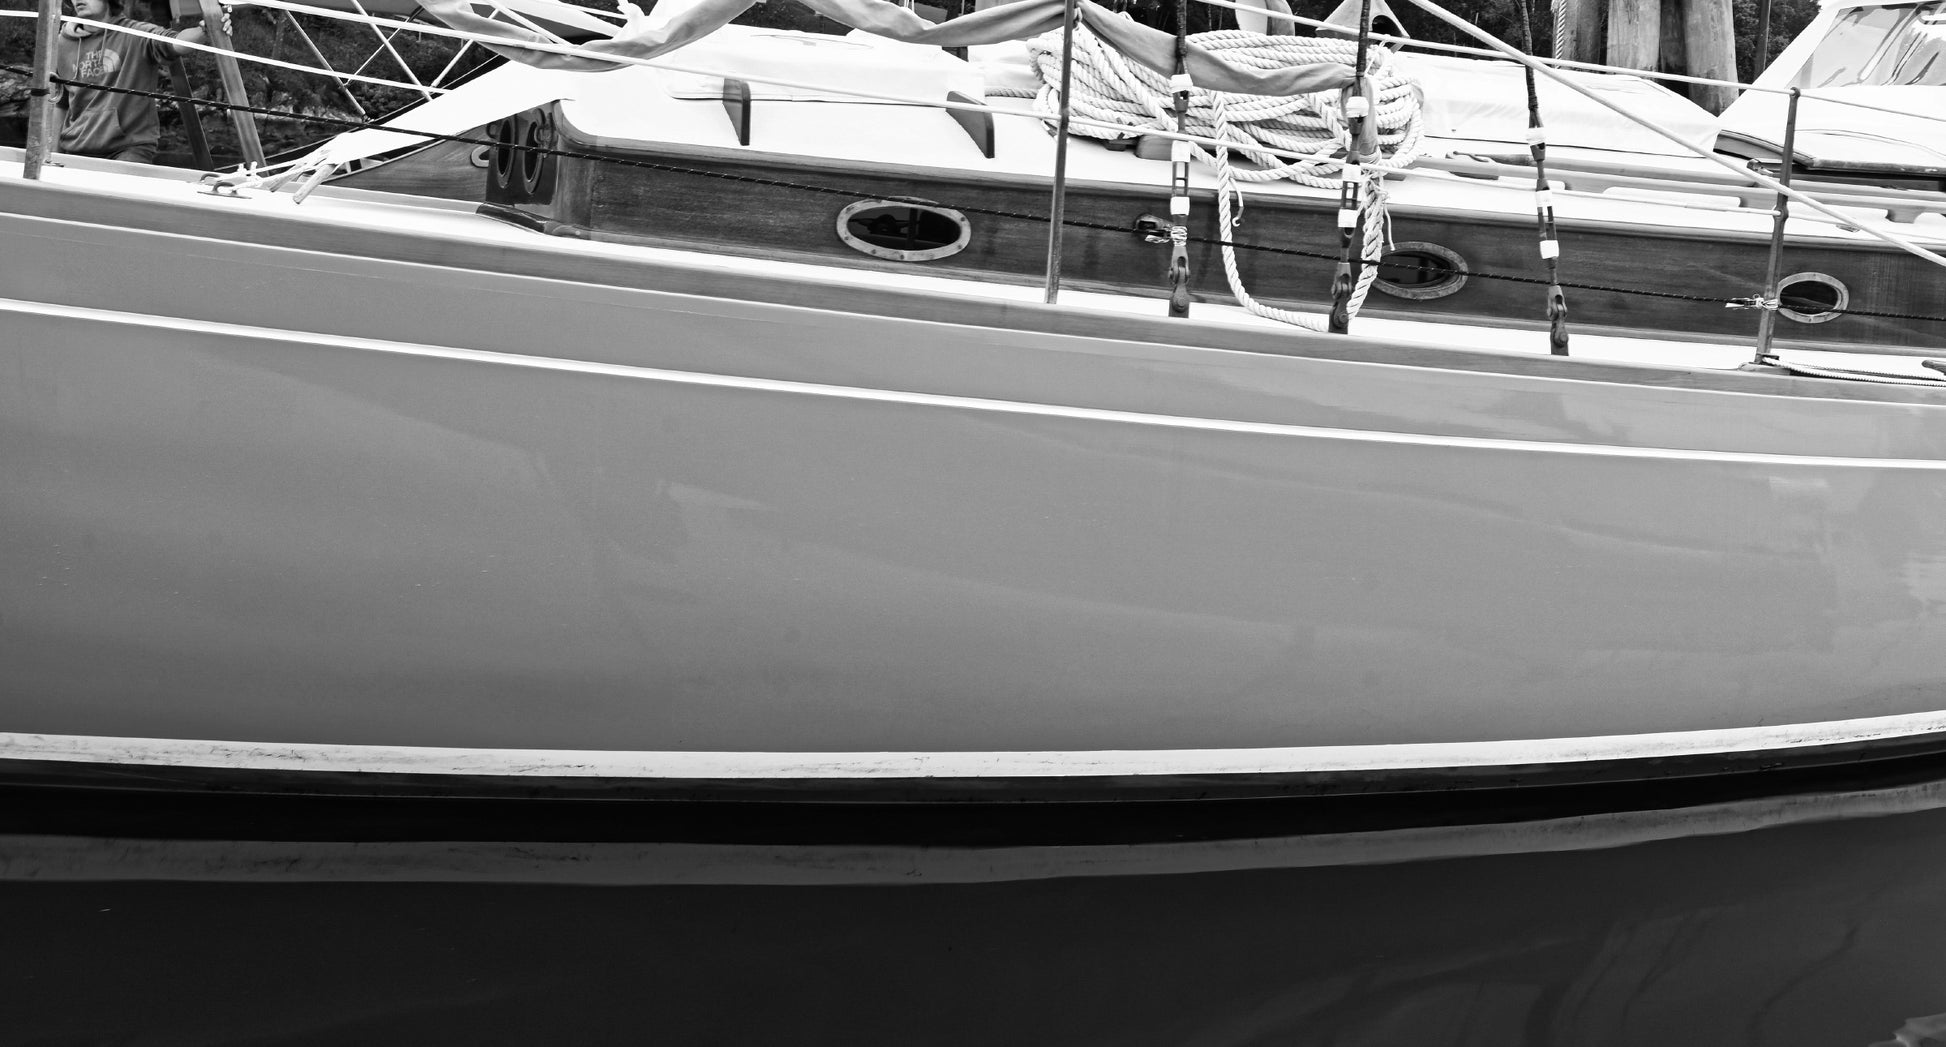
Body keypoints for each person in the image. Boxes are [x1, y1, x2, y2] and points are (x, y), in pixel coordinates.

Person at [53, 0, 230, 163]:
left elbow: (174, 42)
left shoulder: (135, 33)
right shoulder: (62, 43)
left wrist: (206, 30)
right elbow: (60, 103)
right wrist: (51, 156)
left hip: (128, 148)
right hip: (76, 147)